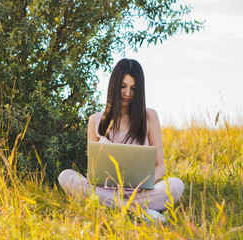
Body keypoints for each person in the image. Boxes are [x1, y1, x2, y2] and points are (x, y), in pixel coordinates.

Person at [58, 59, 184, 222]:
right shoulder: (95, 120)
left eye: (133, 88)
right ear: (114, 86)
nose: (127, 93)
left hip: (140, 193)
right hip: (105, 191)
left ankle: (115, 207)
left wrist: (140, 186)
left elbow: (161, 166)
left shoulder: (149, 116)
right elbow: (92, 170)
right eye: (123, 86)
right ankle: (140, 212)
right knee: (66, 177)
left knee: (176, 185)